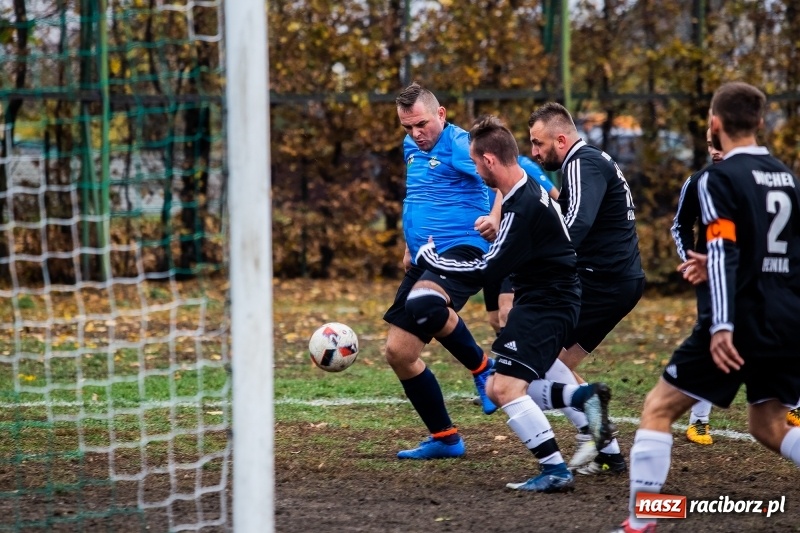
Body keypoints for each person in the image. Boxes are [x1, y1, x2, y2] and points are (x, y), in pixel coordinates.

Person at [610, 81, 800, 533]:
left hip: (742, 319)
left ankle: (640, 522)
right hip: (787, 318)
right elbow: (778, 255)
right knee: (769, 425)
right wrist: (710, 260)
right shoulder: (787, 177)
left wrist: (721, 325)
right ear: (758, 123)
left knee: (657, 408)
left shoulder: (717, 178)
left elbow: (727, 250)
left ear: (714, 124)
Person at [416, 114, 617, 492]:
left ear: (489, 161)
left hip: (548, 304)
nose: (476, 171)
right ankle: (583, 397)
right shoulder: (522, 191)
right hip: (545, 300)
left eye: (476, 163)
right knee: (497, 387)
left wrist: (432, 259)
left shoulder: (520, 207)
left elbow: (485, 270)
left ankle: (554, 471)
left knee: (506, 389)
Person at [526, 102, 646, 475]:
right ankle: (606, 447)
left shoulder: (581, 163)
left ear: (561, 139)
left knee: (544, 361)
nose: (533, 152)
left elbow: (574, 225)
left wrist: (534, 257)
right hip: (614, 280)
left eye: (537, 143)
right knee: (557, 364)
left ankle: (591, 435)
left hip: (603, 281)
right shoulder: (588, 162)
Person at [384, 82, 501, 460]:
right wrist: (408, 245)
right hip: (426, 258)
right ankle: (446, 437)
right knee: (398, 352)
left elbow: (507, 178)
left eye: (421, 124)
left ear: (441, 114)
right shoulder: (411, 147)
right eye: (407, 127)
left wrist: (496, 216)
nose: (416, 134)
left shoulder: (460, 144)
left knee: (426, 304)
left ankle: (483, 368)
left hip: (464, 251)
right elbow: (419, 194)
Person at [670, 128, 724, 446]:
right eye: (708, 145)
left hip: (754, 273)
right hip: (710, 274)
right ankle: (699, 421)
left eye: (719, 143)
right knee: (711, 339)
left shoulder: (759, 177)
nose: (714, 151)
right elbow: (680, 223)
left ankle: (791, 403)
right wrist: (692, 261)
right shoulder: (699, 181)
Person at [484, 157, 558, 337]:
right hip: (492, 252)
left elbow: (557, 198)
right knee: (494, 319)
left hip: (517, 250)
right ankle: (526, 352)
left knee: (506, 310)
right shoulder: (473, 169)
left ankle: (514, 361)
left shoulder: (522, 166)